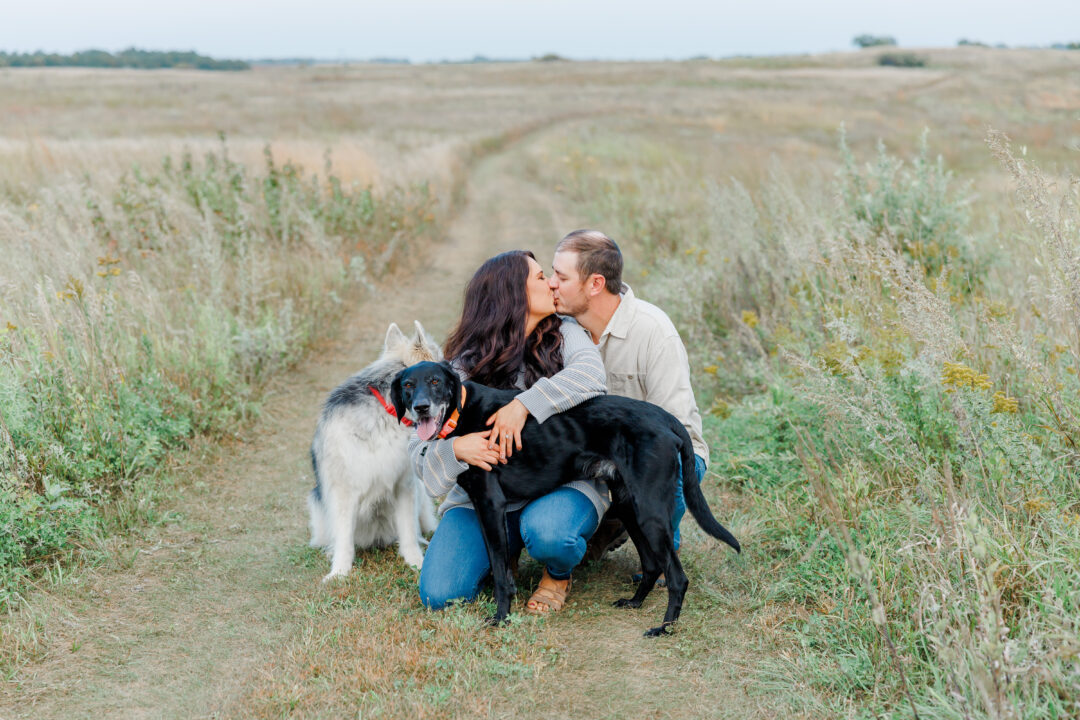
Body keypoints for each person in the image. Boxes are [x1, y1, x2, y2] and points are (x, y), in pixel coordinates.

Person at [413, 250, 608, 614]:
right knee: (439, 594)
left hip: (560, 480)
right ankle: (505, 547)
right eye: (539, 277)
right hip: (484, 498)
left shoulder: (566, 333)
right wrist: (457, 449)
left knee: (552, 534)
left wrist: (523, 405)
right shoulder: (463, 365)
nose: (551, 282)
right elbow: (417, 449)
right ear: (512, 295)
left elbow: (592, 377)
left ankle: (557, 572)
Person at [546, 229, 708, 561]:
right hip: (587, 460)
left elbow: (672, 428)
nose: (550, 283)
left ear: (595, 284)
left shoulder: (653, 331)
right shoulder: (558, 328)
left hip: (652, 454)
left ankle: (660, 542)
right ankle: (608, 520)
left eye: (560, 276)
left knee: (670, 467)